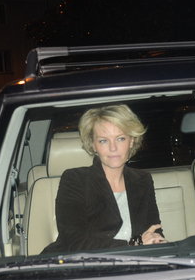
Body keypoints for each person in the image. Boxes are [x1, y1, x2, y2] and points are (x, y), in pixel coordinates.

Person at [43, 104, 165, 253]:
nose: (113, 148)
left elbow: (153, 229)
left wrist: (157, 241)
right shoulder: (75, 179)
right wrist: (134, 244)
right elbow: (74, 241)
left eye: (120, 138)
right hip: (87, 263)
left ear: (131, 141)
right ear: (93, 145)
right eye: (103, 141)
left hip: (136, 260)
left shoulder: (143, 180)